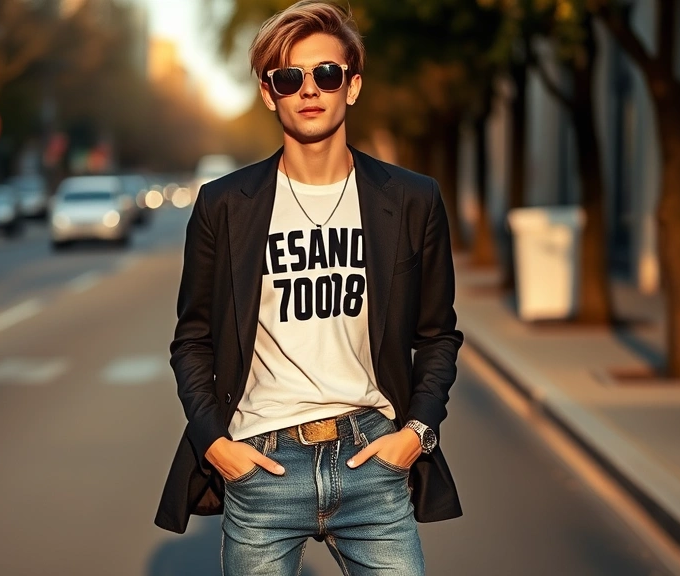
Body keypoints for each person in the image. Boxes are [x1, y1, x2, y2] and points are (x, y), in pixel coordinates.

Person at [155, 2, 463, 574]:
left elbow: (438, 334)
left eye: (326, 73)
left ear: (353, 85)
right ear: (269, 93)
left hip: (373, 457)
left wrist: (416, 433)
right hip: (261, 463)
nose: (309, 90)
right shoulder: (224, 205)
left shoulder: (411, 199)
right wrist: (214, 444)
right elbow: (192, 339)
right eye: (289, 78)